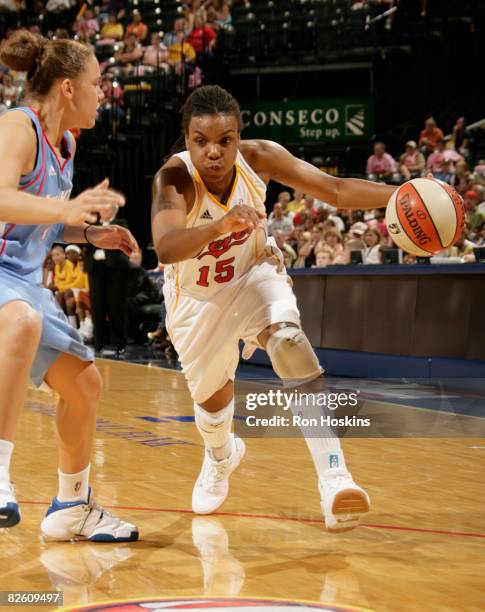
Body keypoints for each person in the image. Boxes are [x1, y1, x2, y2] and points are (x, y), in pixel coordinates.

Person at [151, 85, 400, 533]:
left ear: (238, 137)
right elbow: (167, 247)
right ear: (186, 140)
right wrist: (221, 226)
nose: (213, 151)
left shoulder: (261, 158)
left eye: (225, 140)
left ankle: (334, 478)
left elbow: (337, 190)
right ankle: (221, 455)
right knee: (211, 409)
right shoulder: (173, 179)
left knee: (288, 342)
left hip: (253, 276)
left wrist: (400, 194)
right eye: (201, 140)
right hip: (196, 300)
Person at [0, 29, 139, 541]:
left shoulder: (66, 143)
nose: (102, 93)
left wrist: (89, 230)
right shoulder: (19, 125)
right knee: (21, 321)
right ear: (66, 88)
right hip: (2, 280)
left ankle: (72, 507)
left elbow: (44, 223)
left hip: (21, 279)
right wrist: (65, 208)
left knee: (84, 386)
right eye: (95, 83)